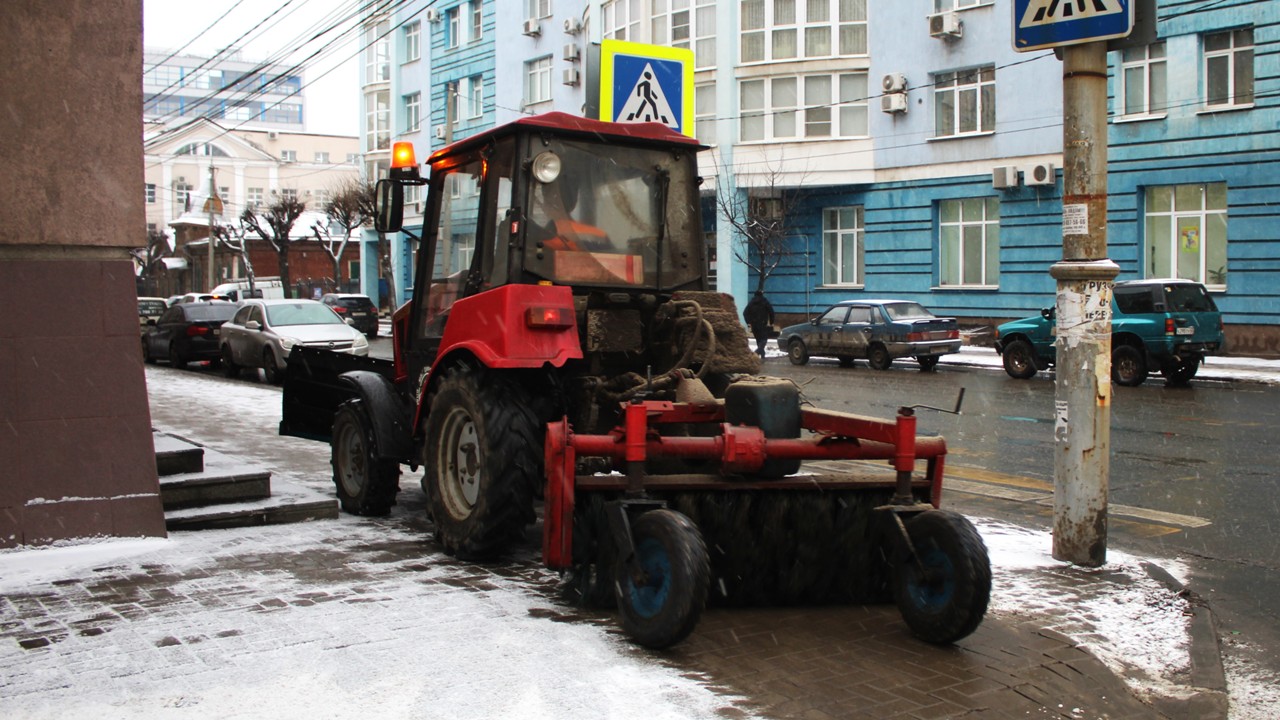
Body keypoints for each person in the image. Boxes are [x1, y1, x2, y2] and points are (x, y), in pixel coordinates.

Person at [743, 290, 774, 358]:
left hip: (754, 325)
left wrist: (749, 322)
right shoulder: (765, 301)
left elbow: (745, 313)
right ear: (761, 295)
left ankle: (762, 356)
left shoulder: (751, 303)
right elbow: (771, 312)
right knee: (764, 339)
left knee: (758, 340)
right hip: (762, 324)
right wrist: (772, 322)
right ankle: (756, 353)